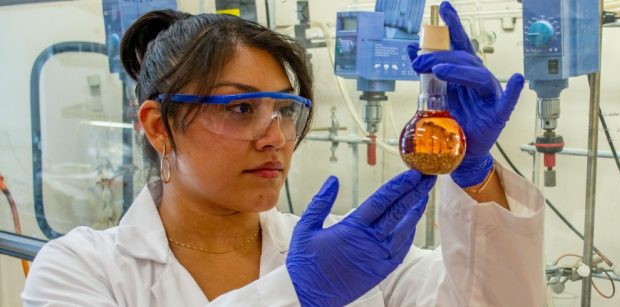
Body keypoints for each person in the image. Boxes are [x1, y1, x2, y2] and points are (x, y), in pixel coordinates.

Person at [21, 2, 546, 306]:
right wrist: (296, 293)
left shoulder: (351, 256)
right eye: (240, 108)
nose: (275, 136)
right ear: (160, 127)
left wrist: (476, 178)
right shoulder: (78, 268)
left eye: (286, 109)